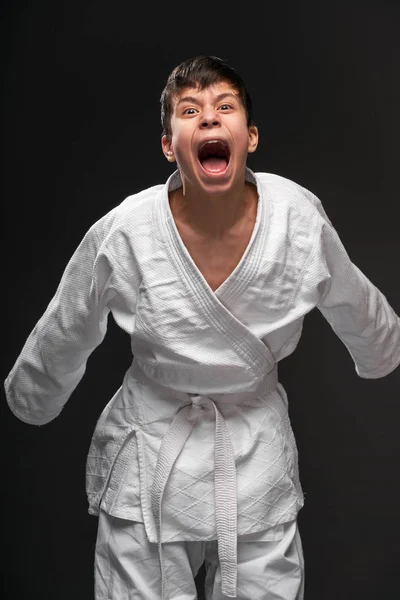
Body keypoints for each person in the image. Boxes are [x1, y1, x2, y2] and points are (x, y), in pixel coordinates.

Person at [4, 55, 400, 600]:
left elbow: (351, 293)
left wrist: (383, 349)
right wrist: (34, 394)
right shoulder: (126, 230)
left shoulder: (296, 218)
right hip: (151, 460)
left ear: (250, 136)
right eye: (190, 110)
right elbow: (69, 320)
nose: (209, 118)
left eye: (225, 106)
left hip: (254, 456)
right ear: (169, 145)